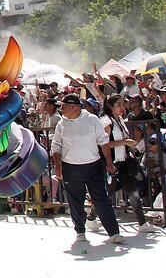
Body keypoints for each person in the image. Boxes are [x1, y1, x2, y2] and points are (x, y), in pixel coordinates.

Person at [51, 93, 124, 244]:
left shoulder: (92, 119)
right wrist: (58, 166)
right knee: (75, 201)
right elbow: (56, 146)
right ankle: (80, 231)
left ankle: (113, 232)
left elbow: (103, 141)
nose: (61, 109)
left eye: (63, 106)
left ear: (74, 107)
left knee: (101, 199)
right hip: (71, 168)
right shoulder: (61, 124)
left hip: (93, 166)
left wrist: (109, 163)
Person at [100, 95, 157, 233]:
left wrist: (127, 144)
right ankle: (91, 218)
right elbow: (104, 144)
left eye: (122, 104)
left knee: (133, 191)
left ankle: (142, 223)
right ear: (110, 106)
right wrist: (124, 143)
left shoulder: (119, 120)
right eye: (118, 105)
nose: (122, 107)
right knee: (107, 193)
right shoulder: (106, 121)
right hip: (112, 162)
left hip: (123, 161)